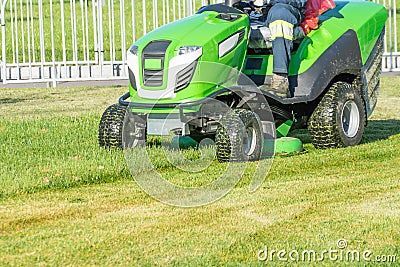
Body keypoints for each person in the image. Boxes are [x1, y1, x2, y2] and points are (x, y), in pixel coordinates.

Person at [253, 0, 335, 97]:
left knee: (279, 13)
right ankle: (235, 75)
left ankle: (280, 80)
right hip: (259, 13)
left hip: (289, 10)